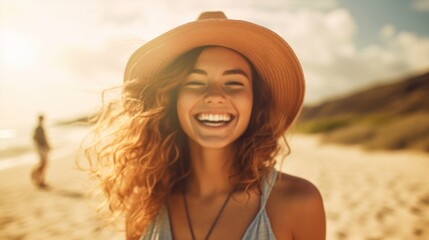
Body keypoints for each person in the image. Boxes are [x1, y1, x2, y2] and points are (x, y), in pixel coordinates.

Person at [84, 11, 325, 240]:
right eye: (196, 83)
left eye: (233, 83)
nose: (214, 95)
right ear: (171, 100)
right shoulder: (145, 205)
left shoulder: (298, 202)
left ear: (255, 101)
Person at [32, 114, 50, 188]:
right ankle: (38, 177)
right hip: (42, 148)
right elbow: (41, 138)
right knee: (43, 163)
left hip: (41, 147)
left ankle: (39, 178)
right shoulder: (39, 128)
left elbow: (34, 138)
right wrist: (44, 145)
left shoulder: (39, 128)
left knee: (43, 163)